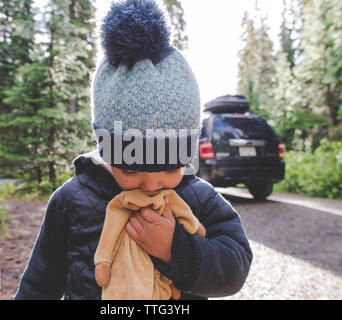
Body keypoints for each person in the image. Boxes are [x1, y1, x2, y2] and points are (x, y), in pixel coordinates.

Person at [14, 0, 252, 300]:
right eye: (131, 168)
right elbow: (40, 281)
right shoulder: (73, 200)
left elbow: (236, 266)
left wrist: (175, 249)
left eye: (169, 167)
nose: (152, 183)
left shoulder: (198, 198)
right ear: (107, 152)